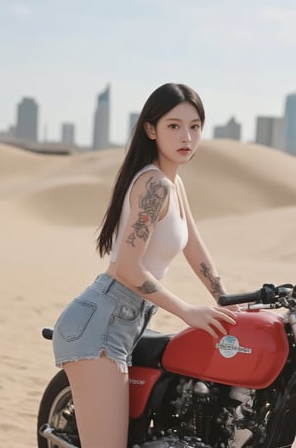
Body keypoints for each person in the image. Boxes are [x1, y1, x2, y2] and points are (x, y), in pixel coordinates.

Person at [52, 83, 237, 448]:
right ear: (151, 130)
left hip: (125, 320)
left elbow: (194, 248)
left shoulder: (173, 183)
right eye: (174, 126)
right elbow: (128, 269)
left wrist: (226, 299)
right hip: (102, 323)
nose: (187, 136)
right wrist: (187, 311)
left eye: (195, 126)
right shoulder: (155, 185)